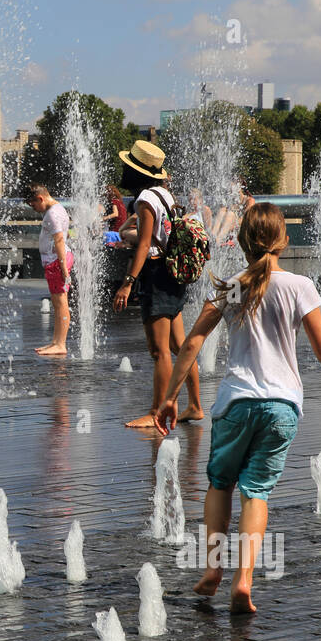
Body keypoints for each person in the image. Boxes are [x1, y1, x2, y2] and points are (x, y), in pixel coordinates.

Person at [155, 203, 321, 615]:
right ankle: (245, 581)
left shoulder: (233, 286)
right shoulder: (299, 285)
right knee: (256, 493)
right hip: (282, 407)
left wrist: (170, 397)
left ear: (242, 242)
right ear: (283, 241)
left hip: (237, 403)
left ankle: (212, 570)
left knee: (221, 484)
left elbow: (191, 343)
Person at [112, 140, 204, 427]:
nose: (123, 171)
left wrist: (128, 283)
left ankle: (155, 414)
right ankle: (195, 406)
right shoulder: (164, 194)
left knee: (159, 351)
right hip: (173, 273)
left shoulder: (145, 200)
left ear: (137, 172)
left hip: (157, 275)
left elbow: (144, 244)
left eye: (127, 166)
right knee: (180, 345)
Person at [27, 182, 73, 356]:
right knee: (57, 303)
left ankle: (60, 344)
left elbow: (60, 240)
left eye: (34, 205)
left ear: (40, 198)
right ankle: (56, 341)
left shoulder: (52, 214)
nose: (35, 209)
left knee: (61, 303)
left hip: (56, 261)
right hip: (56, 260)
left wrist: (63, 267)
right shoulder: (59, 209)